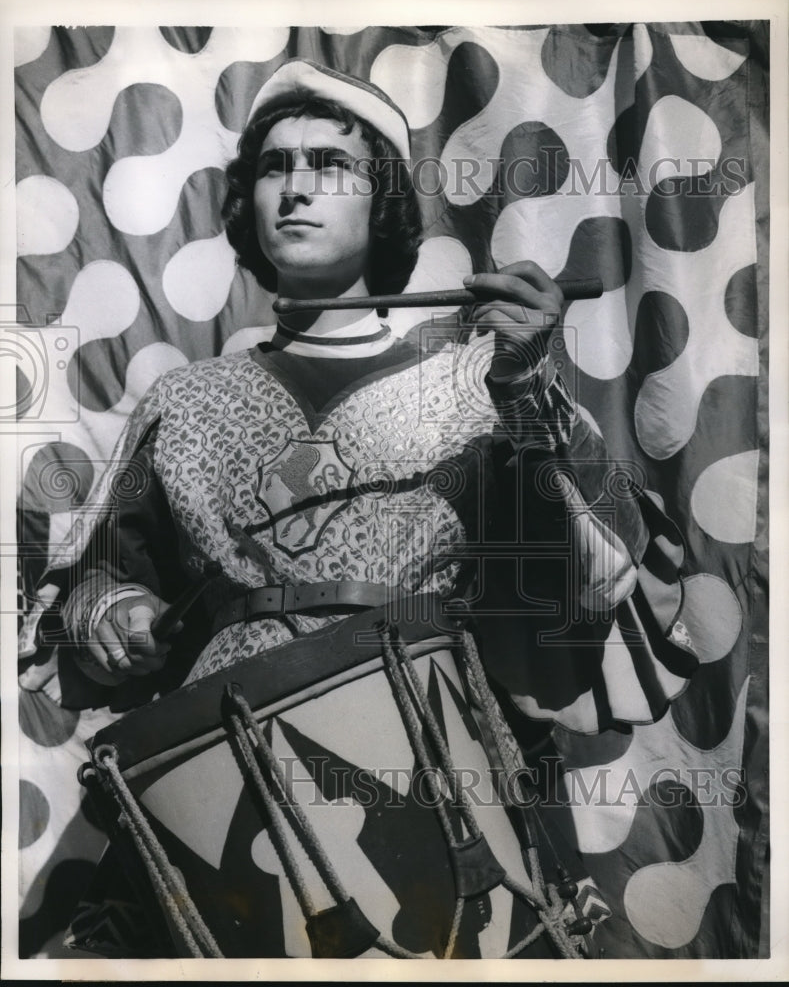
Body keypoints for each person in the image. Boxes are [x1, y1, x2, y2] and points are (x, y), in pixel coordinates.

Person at [20, 59, 695, 960]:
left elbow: (600, 572)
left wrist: (531, 388)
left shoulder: (480, 374)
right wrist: (114, 613)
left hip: (431, 752)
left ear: (380, 201)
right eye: (273, 166)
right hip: (222, 775)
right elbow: (105, 574)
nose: (295, 186)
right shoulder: (183, 400)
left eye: (331, 166)